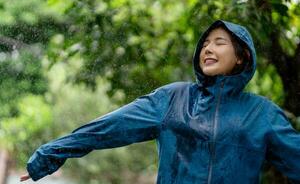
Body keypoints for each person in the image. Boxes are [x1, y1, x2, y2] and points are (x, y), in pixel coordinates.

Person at [20, 20, 300, 183]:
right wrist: (48, 155)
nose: (208, 49)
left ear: (242, 56)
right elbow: (107, 128)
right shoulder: (173, 99)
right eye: (205, 44)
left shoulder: (261, 113)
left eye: (219, 42)